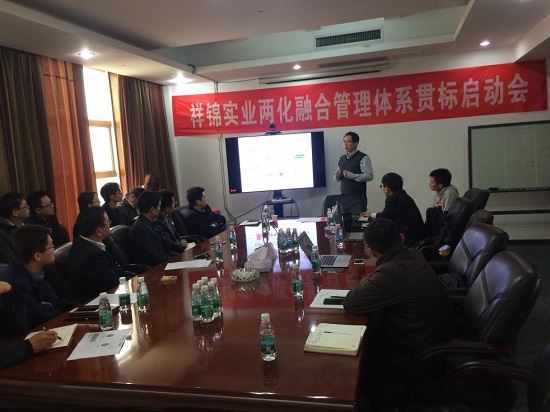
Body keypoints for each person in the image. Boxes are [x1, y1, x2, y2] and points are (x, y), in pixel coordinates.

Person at [343, 219, 453, 410]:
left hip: (414, 358)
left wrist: (368, 279)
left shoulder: (392, 272)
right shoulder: (413, 254)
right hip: (429, 337)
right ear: (401, 238)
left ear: (372, 251)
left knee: (352, 366)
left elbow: (351, 302)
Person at [0, 225, 61, 329]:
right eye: (51, 246)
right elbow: (38, 318)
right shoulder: (16, 282)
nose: (54, 249)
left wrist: (47, 307)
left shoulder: (35, 270)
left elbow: (55, 302)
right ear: (37, 256)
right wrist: (49, 308)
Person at [67, 207, 131, 303]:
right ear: (99, 231)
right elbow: (112, 282)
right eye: (108, 222)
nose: (110, 223)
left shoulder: (83, 243)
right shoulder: (91, 255)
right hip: (100, 302)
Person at [0, 281, 58, 369]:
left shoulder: (4, 287)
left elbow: (17, 331)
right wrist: (28, 346)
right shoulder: (16, 278)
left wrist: (9, 292)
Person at [360, 173, 426, 247]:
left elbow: (383, 220)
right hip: (416, 236)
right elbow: (388, 214)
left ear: (386, 189)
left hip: (410, 240)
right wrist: (372, 215)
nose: (382, 189)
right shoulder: (402, 196)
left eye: (382, 186)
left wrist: (367, 225)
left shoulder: (393, 199)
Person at [129, 191, 172, 266]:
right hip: (154, 267)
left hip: (164, 260)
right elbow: (154, 256)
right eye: (159, 206)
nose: (159, 209)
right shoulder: (140, 229)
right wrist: (173, 259)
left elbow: (166, 243)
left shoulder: (151, 222)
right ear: (152, 209)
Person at [334, 131, 373, 207]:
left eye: (348, 141)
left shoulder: (363, 157)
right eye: (344, 141)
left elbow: (369, 176)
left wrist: (352, 175)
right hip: (344, 197)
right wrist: (337, 176)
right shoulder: (342, 158)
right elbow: (337, 175)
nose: (345, 144)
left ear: (355, 144)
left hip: (358, 198)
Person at [0, 192, 30, 266]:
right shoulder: (2, 232)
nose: (28, 208)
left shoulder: (28, 223)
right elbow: (9, 258)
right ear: (15, 212)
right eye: (25, 207)